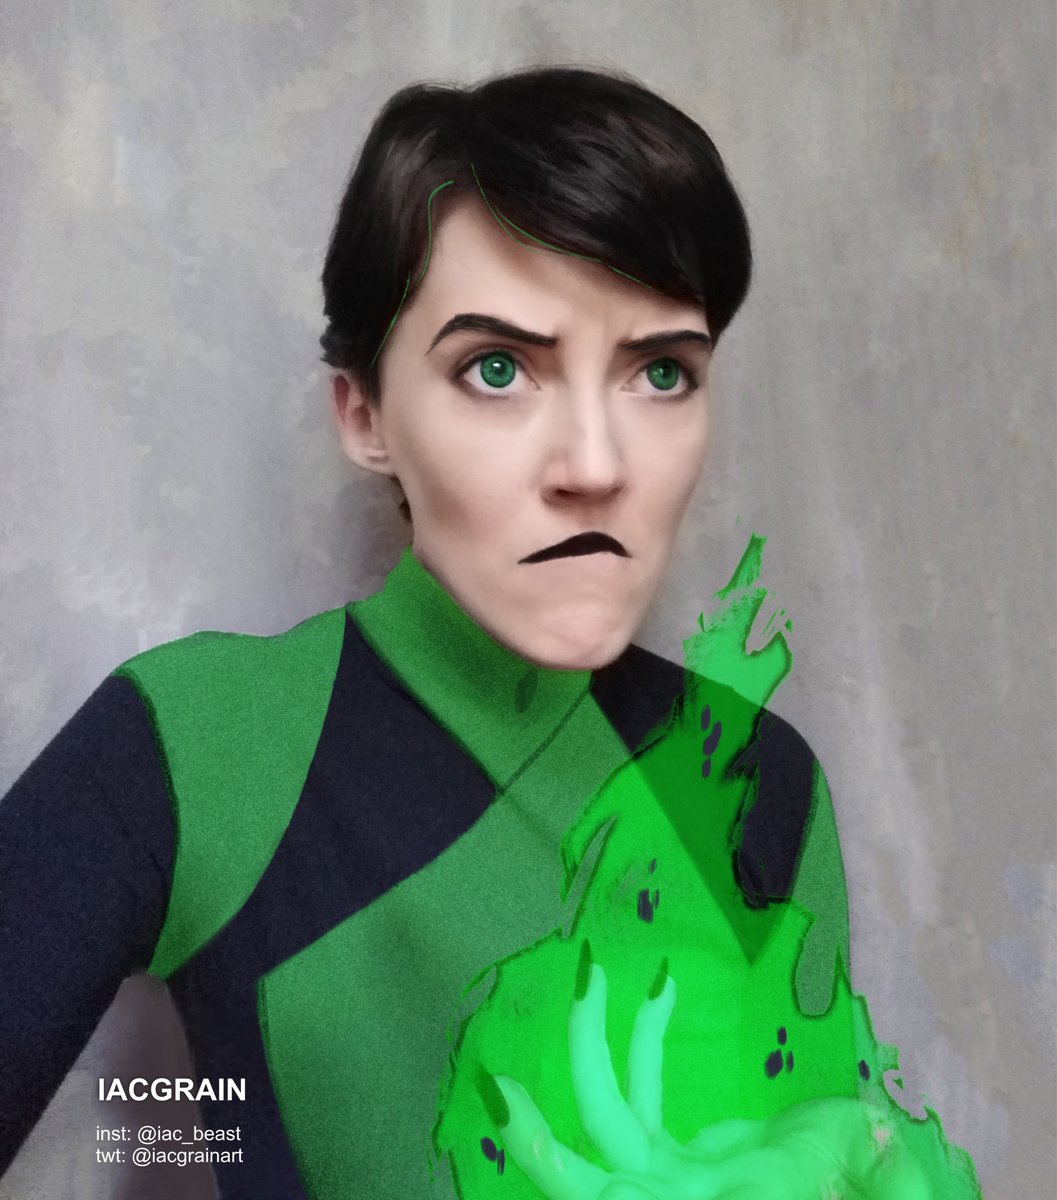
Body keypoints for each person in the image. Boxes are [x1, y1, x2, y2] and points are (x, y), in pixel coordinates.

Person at [0, 65, 980, 1199]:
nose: (595, 466)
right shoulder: (203, 744)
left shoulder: (760, 779)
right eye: (498, 369)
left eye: (661, 372)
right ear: (365, 414)